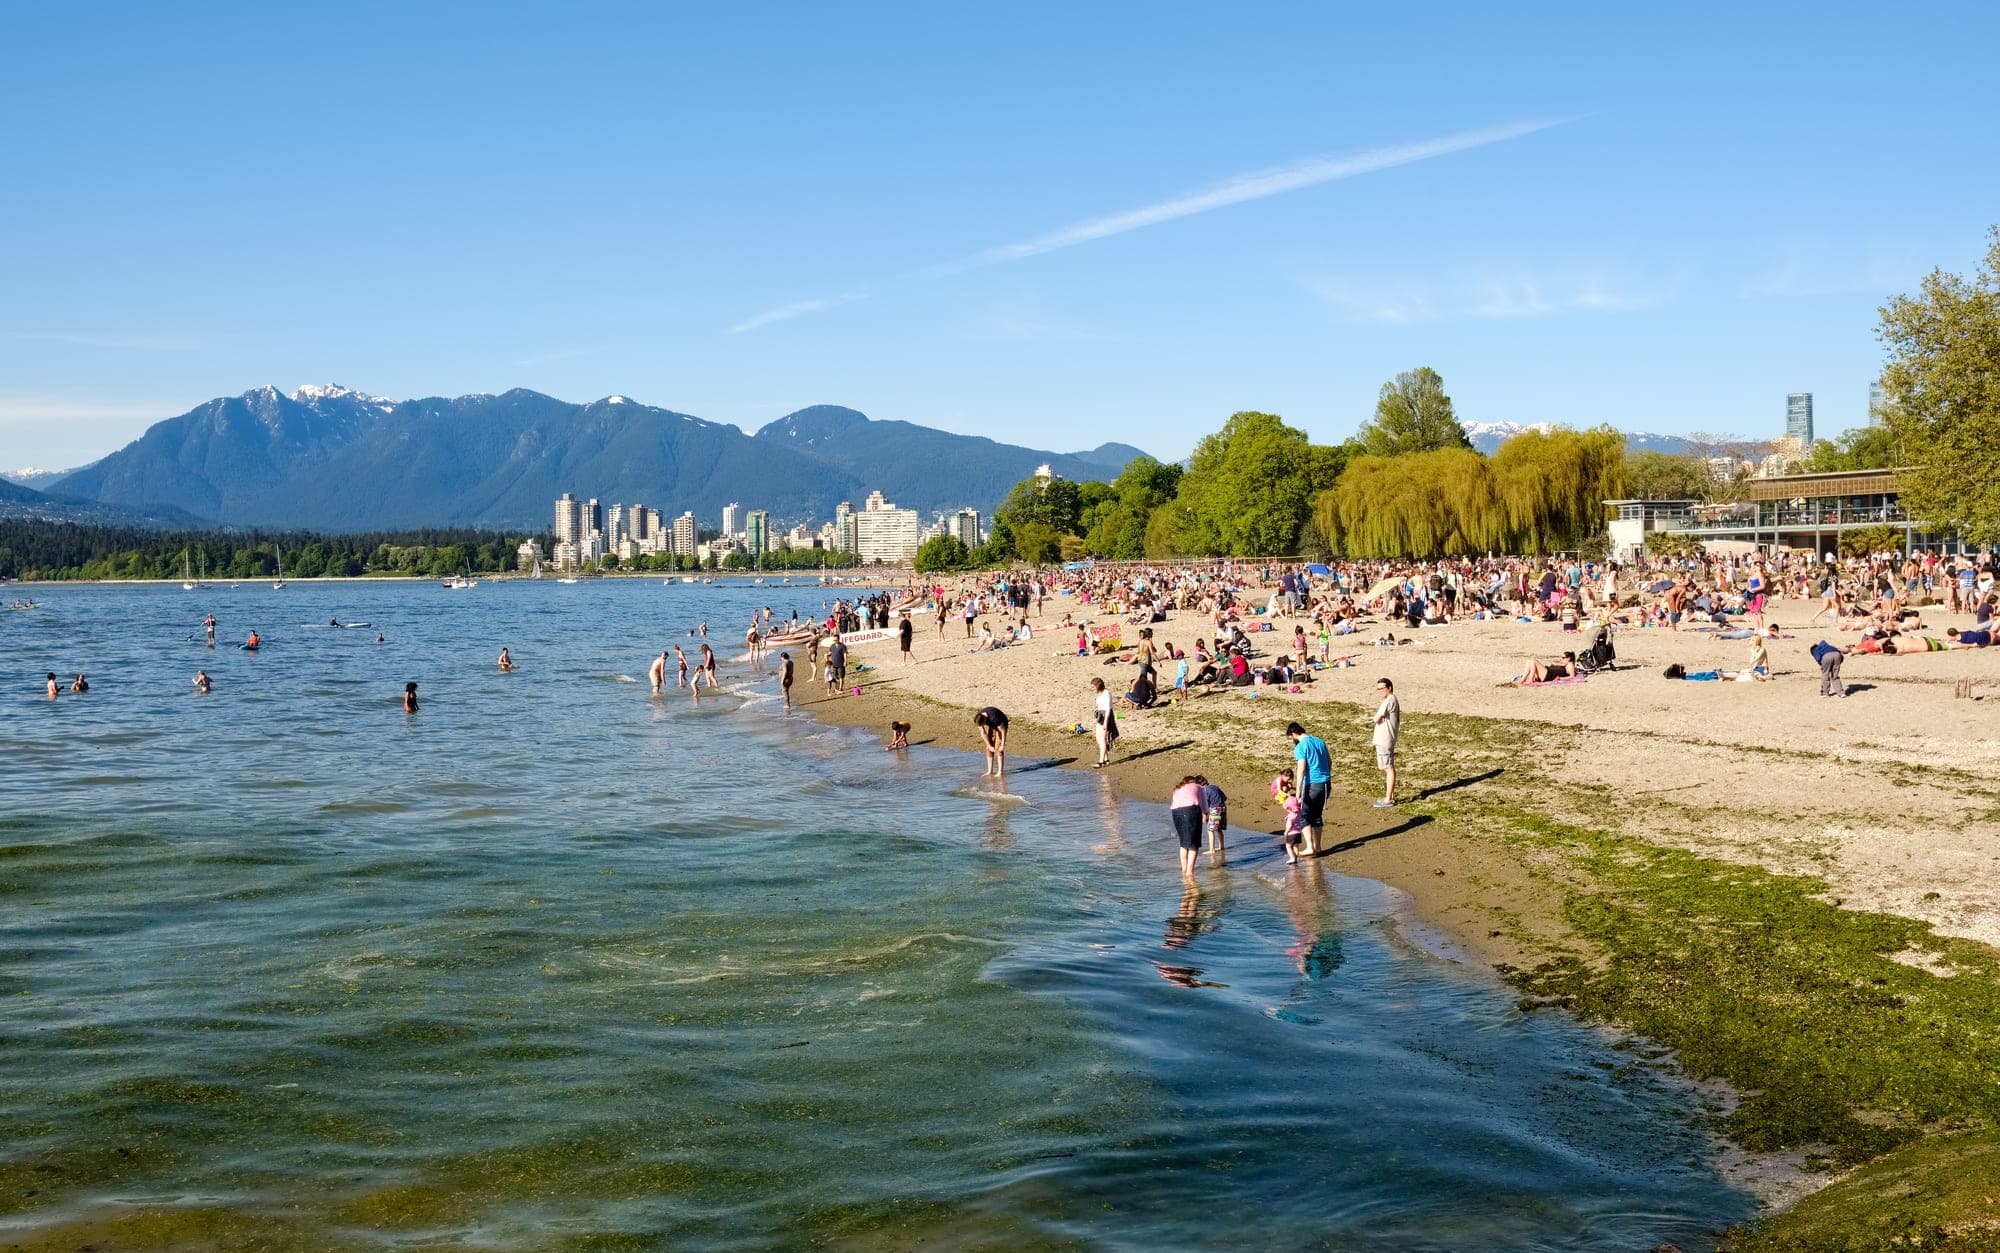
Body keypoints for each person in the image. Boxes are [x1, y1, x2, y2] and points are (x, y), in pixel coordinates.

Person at [1287, 721, 1332, 855]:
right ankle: (1318, 847)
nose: (1291, 741)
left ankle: (1310, 847)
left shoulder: (1301, 747)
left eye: (1290, 739)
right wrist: (1325, 775)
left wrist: (1298, 793)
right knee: (1317, 816)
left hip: (1312, 784)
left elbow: (1301, 770)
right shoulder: (1320, 741)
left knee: (1304, 815)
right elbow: (1329, 762)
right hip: (1325, 784)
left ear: (1293, 734)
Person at [1372, 678, 1400, 808]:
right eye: (1378, 689)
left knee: (1387, 768)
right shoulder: (1391, 700)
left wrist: (1378, 718)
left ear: (1389, 687)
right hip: (1387, 738)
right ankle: (1390, 796)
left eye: (1382, 688)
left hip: (1385, 739)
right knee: (1387, 767)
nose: (1380, 691)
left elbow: (1376, 718)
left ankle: (1388, 799)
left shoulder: (1389, 700)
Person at [1170, 775, 1205, 879]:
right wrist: (1205, 814)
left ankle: (1184, 870)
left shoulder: (1177, 789)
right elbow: (1203, 802)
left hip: (1176, 813)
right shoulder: (1199, 787)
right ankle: (1190, 872)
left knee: (1184, 843)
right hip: (1190, 811)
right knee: (1194, 844)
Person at [1274, 774, 1306, 864]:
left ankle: (1292, 858)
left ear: (1288, 808)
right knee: (1296, 846)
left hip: (1292, 833)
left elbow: (1289, 825)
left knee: (1288, 846)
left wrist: (1286, 832)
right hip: (1298, 833)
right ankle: (1296, 856)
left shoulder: (1290, 816)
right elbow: (1298, 802)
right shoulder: (1299, 813)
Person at [1089, 677, 1118, 768]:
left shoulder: (1106, 693)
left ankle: (1101, 762)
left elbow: (1108, 708)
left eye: (1093, 686)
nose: (1092, 688)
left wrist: (1105, 722)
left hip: (1106, 717)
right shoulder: (1100, 694)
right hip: (1100, 716)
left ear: (1098, 685)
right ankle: (1106, 759)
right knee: (1098, 738)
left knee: (1102, 739)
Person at [973, 706, 1008, 777]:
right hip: (992, 725)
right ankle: (990, 771)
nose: (982, 726)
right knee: (989, 748)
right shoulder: (979, 718)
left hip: (1002, 723)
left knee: (998, 748)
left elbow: (1003, 730)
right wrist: (989, 745)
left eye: (983, 724)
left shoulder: (994, 718)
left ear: (985, 720)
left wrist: (1002, 745)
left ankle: (1000, 772)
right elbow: (983, 733)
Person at [1199, 776, 1227, 859]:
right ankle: (1221, 846)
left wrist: (1205, 815)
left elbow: (1206, 804)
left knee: (1210, 829)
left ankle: (1212, 849)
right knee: (1219, 828)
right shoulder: (1214, 786)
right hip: (1223, 807)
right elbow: (1224, 797)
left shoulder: (1205, 791)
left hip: (1215, 809)